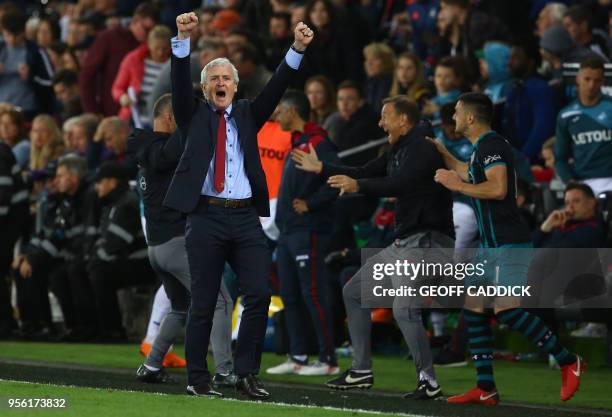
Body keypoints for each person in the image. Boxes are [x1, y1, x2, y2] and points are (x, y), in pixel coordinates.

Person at [165, 11, 313, 399]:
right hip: (206, 216)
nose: (220, 82)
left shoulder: (249, 112)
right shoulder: (192, 113)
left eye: (226, 77)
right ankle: (198, 378)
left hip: (246, 217)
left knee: (259, 294)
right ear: (204, 86)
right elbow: (179, 84)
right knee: (204, 301)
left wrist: (296, 48)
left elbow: (279, 86)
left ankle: (246, 373)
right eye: (213, 77)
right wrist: (182, 39)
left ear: (235, 85)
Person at [292, 95, 454, 400]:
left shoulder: (422, 146)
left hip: (429, 241)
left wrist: (359, 187)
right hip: (407, 242)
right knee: (354, 291)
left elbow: (400, 184)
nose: (380, 123)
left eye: (385, 117)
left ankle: (428, 380)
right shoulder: (401, 146)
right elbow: (367, 169)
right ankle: (361, 370)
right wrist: (322, 168)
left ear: (403, 120)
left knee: (403, 308)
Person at [432, 92, 584, 405]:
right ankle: (485, 387)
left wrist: (455, 185)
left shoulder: (492, 145)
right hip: (491, 245)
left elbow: (498, 187)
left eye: (458, 112)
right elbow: (468, 171)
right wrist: (442, 153)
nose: (453, 117)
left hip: (508, 242)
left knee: (507, 311)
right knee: (473, 307)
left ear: (471, 118)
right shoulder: (481, 149)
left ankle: (569, 360)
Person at [127, 94, 234, 385]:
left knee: (180, 307)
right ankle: (225, 370)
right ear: (172, 118)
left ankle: (151, 365)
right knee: (221, 300)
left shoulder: (146, 148)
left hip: (157, 248)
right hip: (177, 244)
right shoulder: (165, 150)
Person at [265, 90, 339, 376]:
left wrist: (311, 203)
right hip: (288, 231)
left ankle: (328, 359)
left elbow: (334, 179)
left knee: (313, 293)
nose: (276, 116)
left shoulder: (319, 143)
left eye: (280, 111)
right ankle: (298, 356)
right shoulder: (300, 142)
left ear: (292, 112)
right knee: (290, 294)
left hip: (308, 230)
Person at [87, 162, 155, 341]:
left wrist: (94, 259)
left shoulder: (126, 203)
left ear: (112, 182)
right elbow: (106, 240)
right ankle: (89, 327)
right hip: (128, 260)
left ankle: (113, 330)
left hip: (142, 263)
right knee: (83, 269)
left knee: (99, 273)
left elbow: (116, 243)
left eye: (99, 182)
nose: (96, 186)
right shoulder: (114, 203)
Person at [555, 57, 612, 196]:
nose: (591, 85)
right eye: (587, 79)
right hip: (582, 183)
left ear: (603, 82)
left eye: (597, 80)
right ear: (578, 79)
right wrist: (570, 183)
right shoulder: (566, 115)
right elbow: (560, 157)